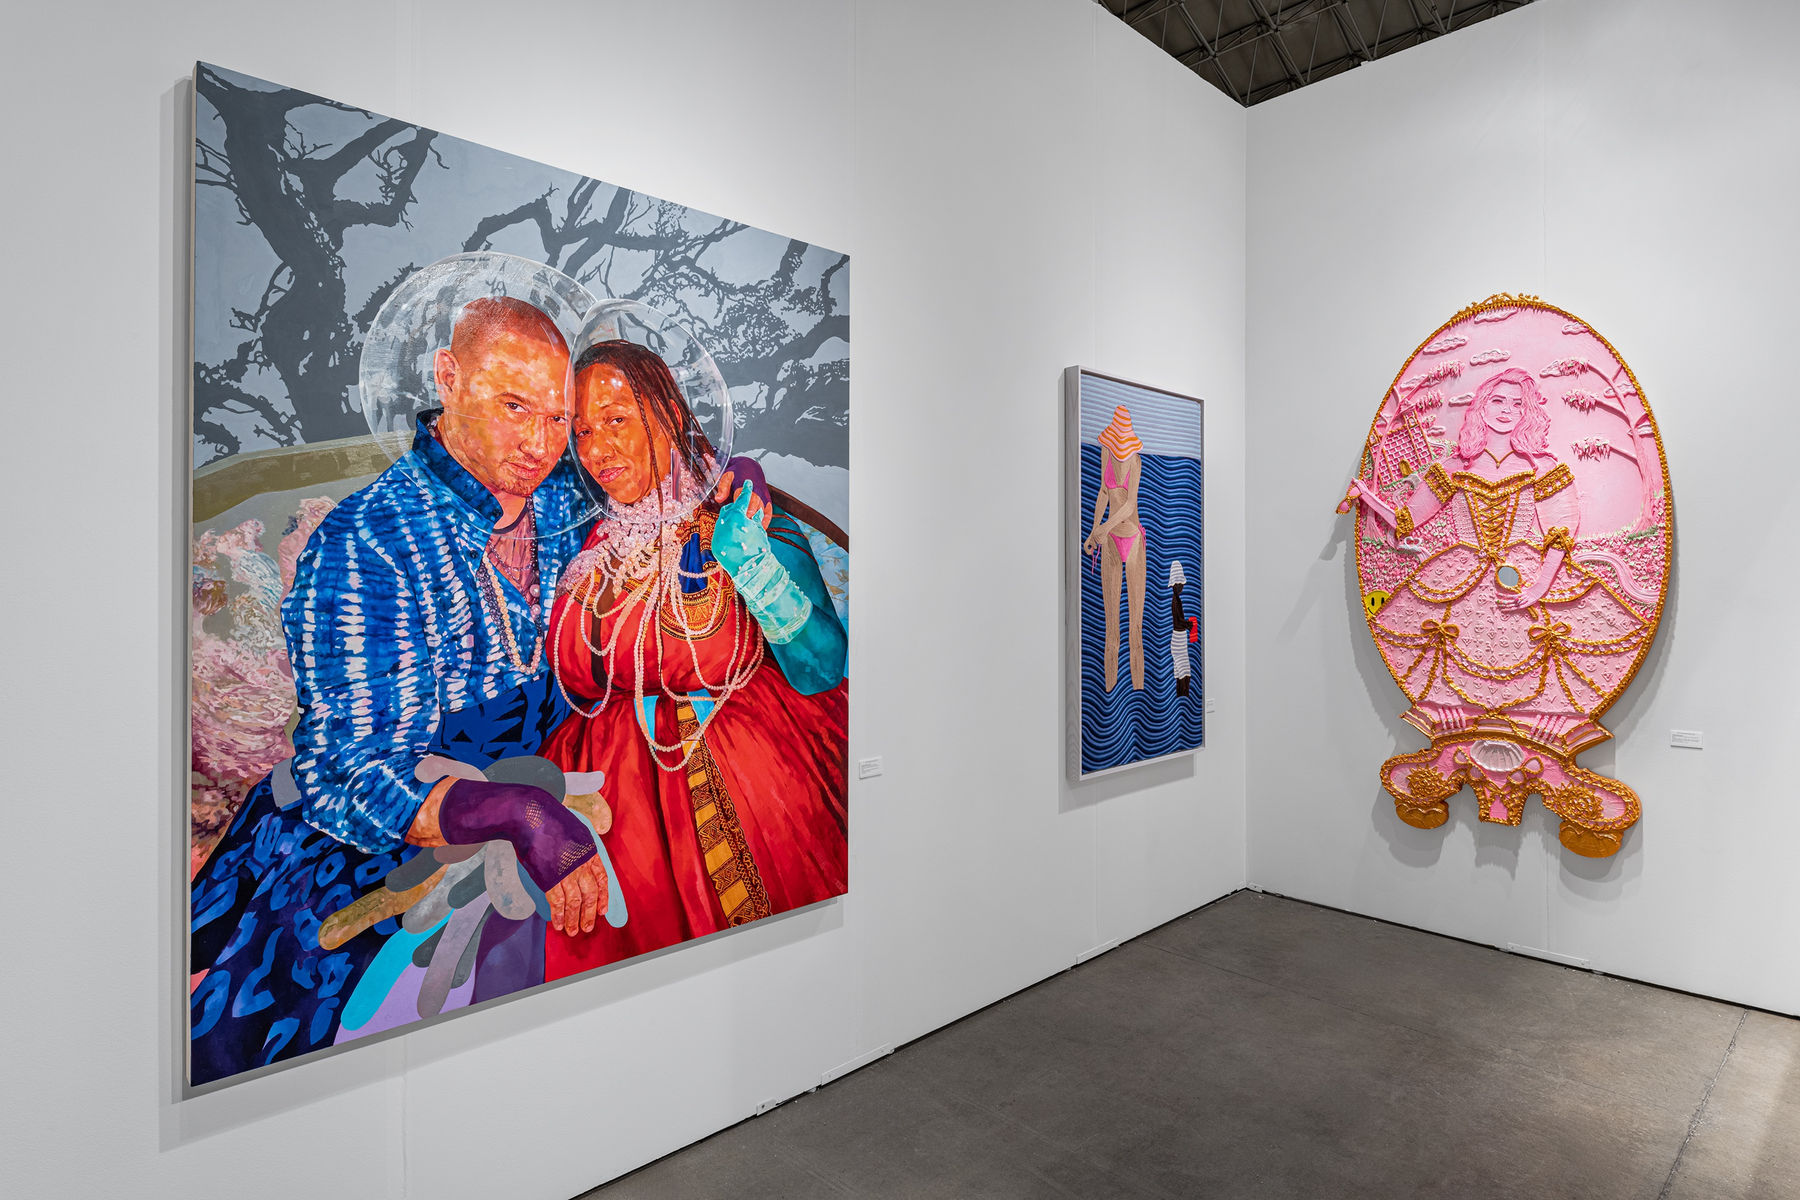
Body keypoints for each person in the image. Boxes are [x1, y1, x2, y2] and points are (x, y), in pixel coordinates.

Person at [189, 296, 608, 1084]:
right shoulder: (368, 539)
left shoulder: (562, 497)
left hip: (559, 782)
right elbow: (352, 771)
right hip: (373, 841)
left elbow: (665, 483)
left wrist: (741, 485)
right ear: (449, 378)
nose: (540, 443)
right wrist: (518, 813)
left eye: (558, 418)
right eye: (514, 407)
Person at [538, 339, 848, 978]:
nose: (597, 449)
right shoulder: (592, 543)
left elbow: (822, 667)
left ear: (670, 413)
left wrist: (754, 565)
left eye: (616, 420)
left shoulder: (742, 514)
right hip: (606, 811)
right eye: (584, 431)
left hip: (753, 777)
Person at [1342, 367, 1648, 759]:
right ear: (1481, 407)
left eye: (1517, 404)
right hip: (1459, 571)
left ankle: (1540, 736)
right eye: (1498, 401)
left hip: (1523, 573)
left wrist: (1540, 586)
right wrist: (1366, 497)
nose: (1506, 410)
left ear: (1527, 413)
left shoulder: (1542, 468)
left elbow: (1560, 534)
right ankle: (1459, 732)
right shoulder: (1454, 468)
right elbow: (1407, 520)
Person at [1083, 406, 1147, 692]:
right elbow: (1103, 492)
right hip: (1109, 541)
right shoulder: (1106, 452)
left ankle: (1138, 689)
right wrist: (1093, 531)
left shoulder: (1135, 461)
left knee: (1135, 626)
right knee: (1111, 626)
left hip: (1132, 539)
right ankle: (1110, 692)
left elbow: (1130, 504)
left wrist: (1104, 527)